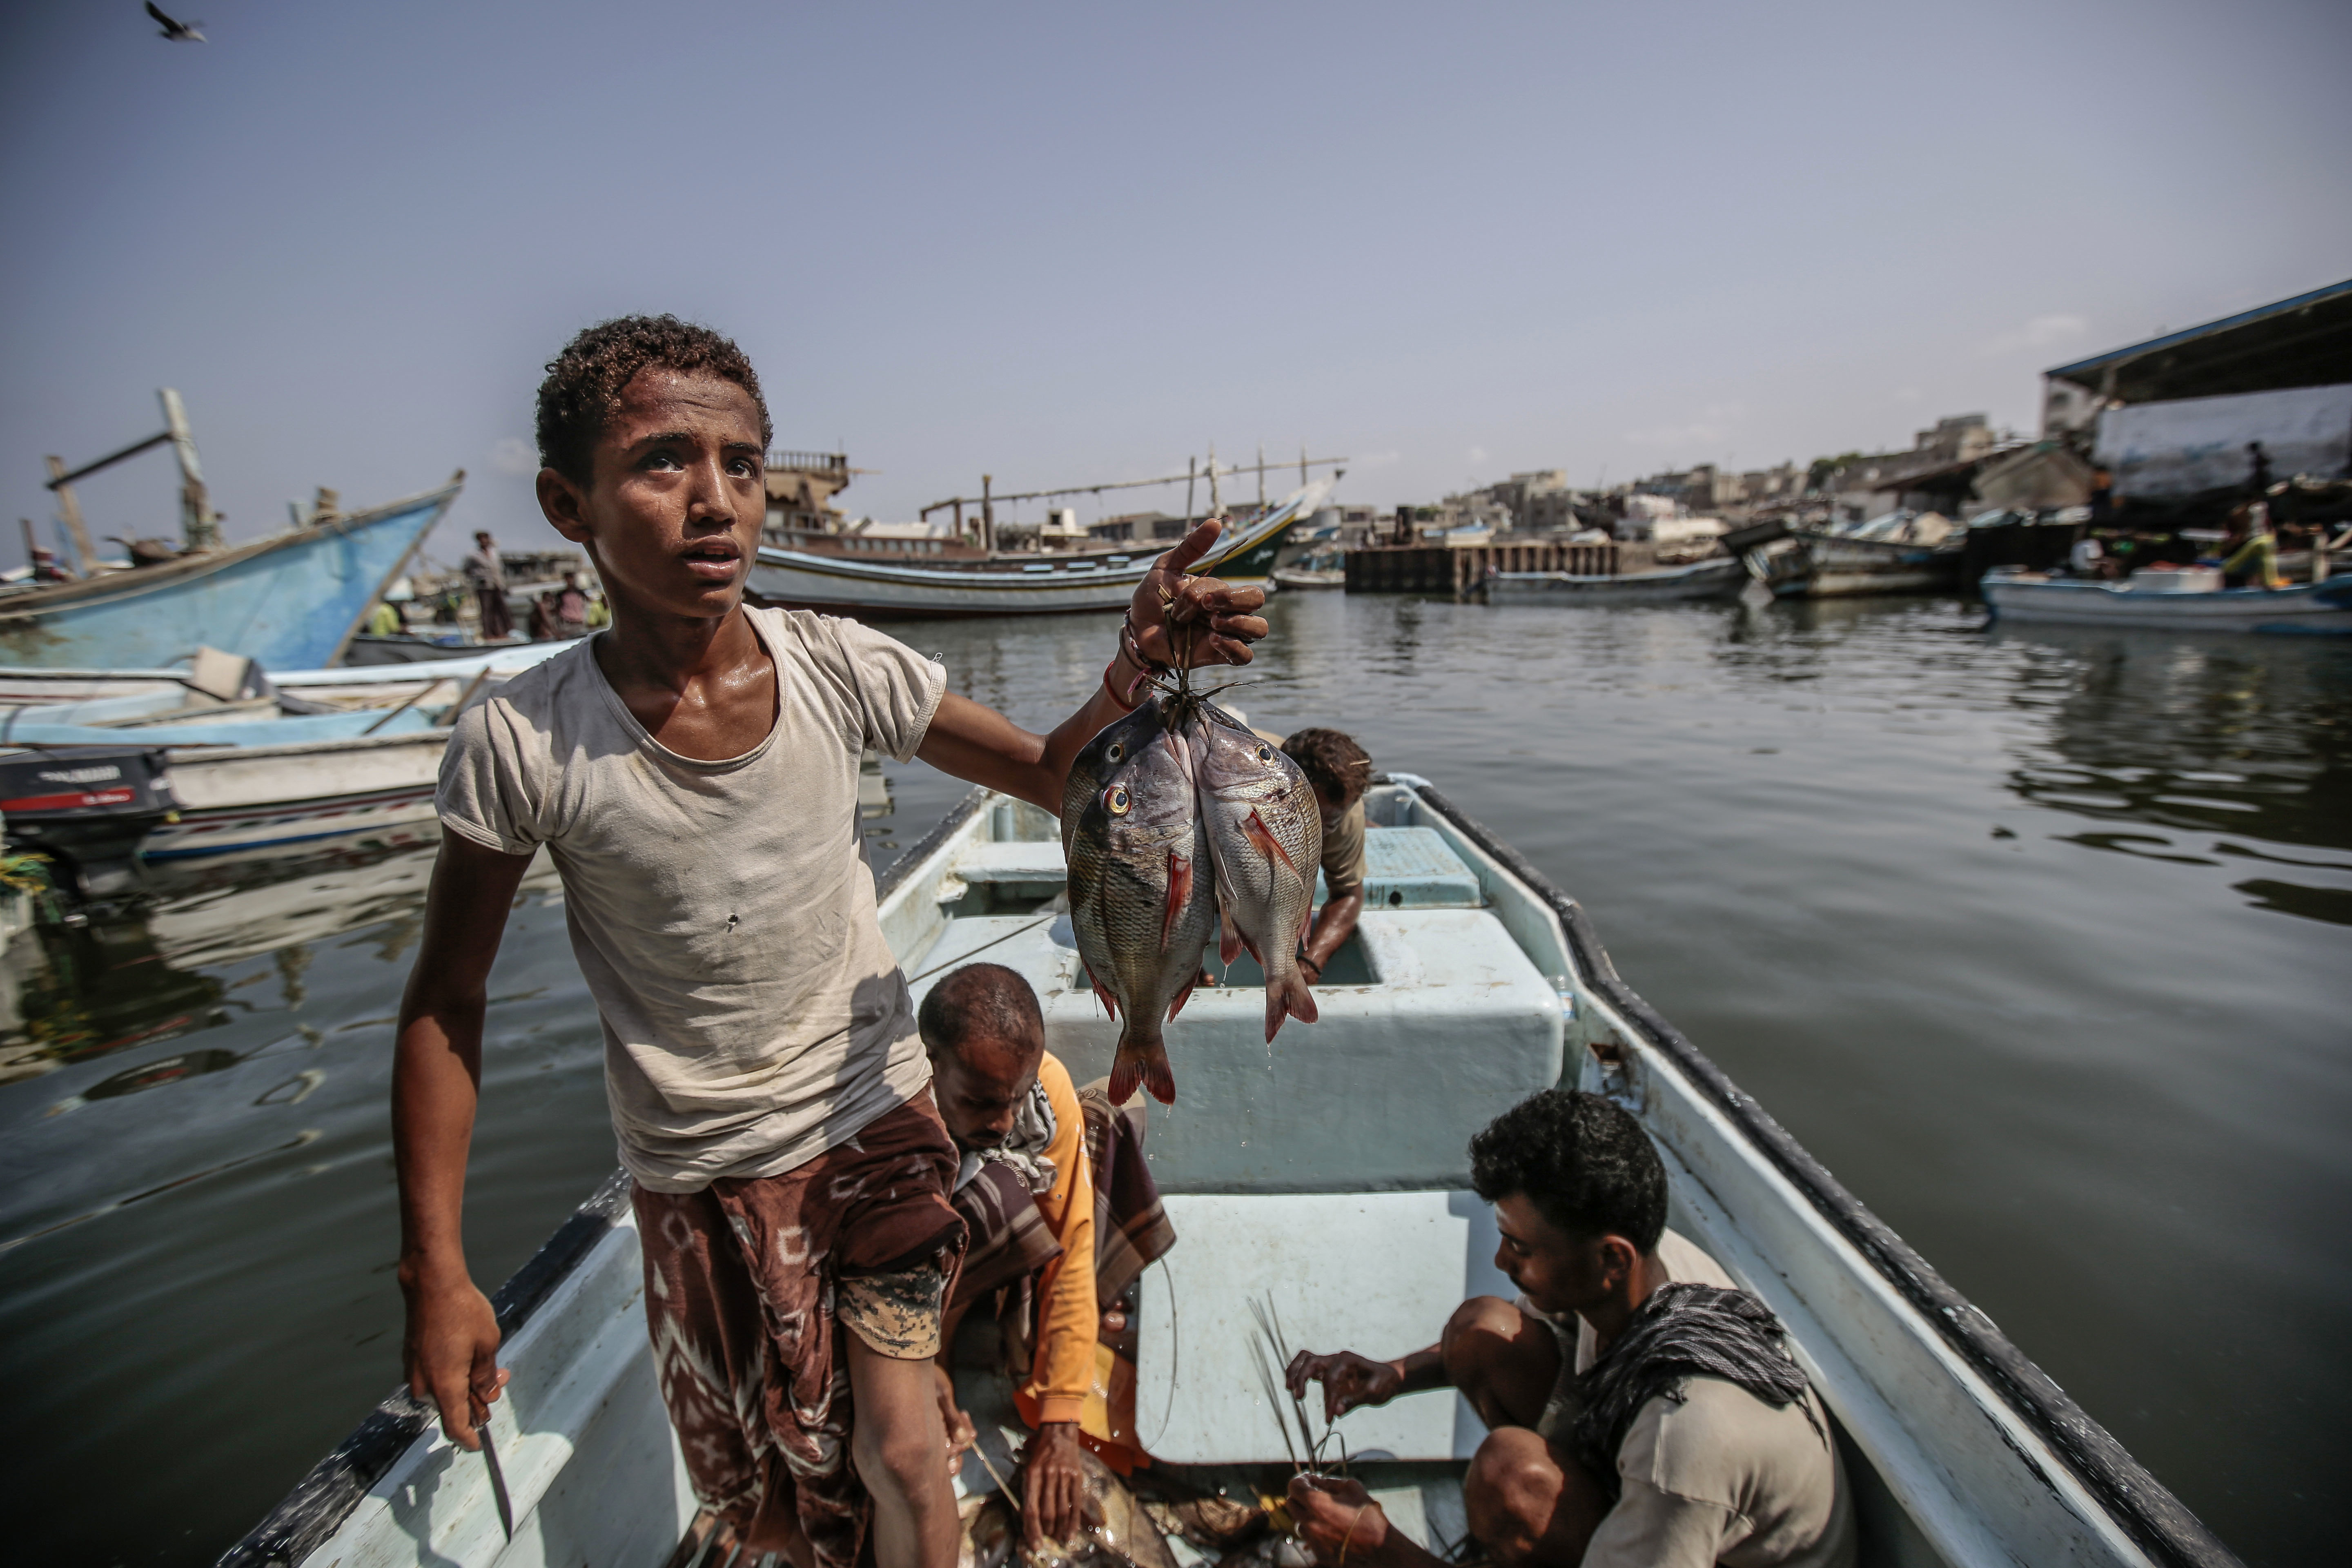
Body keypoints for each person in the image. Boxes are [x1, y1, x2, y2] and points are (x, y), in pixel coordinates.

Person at [393, 314, 1265, 1568]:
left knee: (906, 1454)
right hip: (700, 1171)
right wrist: (437, 1264)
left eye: (742, 465)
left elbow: (1050, 771)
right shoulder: (524, 739)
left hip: (879, 1121)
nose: (716, 502)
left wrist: (1137, 656)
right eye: (662, 463)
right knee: (770, 1511)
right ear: (566, 503)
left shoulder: (835, 667)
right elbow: (446, 1000)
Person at [1283, 1089, 1851, 1568]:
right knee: (1481, 1331)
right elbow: (1502, 1334)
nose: (1503, 1262)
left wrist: (1380, 1550)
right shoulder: (1648, 1269)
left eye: (1521, 1248)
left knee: (1511, 1478)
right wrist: (1394, 1375)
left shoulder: (1684, 1441)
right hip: (1658, 1499)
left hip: (1705, 1547)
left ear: (1612, 1260)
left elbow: (1677, 1457)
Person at [917, 964, 1178, 1546]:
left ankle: (1050, 1335)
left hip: (990, 1252)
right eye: (981, 1103)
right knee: (1000, 1197)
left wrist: (1061, 1422)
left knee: (1108, 1123)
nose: (1006, 1121)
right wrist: (927, 1365)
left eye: (1015, 1097)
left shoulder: (1043, 1088)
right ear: (930, 1066)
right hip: (931, 1269)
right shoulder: (895, 1115)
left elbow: (1072, 1248)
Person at [1280, 728, 1374, 984]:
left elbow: (1348, 894)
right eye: (1309, 813)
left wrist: (1311, 962)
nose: (1317, 828)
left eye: (1330, 820)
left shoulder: (1348, 814)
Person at [462, 528, 513, 641]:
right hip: (484, 586)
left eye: (486, 539)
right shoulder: (473, 555)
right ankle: (488, 634)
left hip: (497, 584)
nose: (485, 541)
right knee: (487, 611)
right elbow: (466, 569)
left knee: (500, 609)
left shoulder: (494, 552)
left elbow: (499, 568)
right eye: (482, 539)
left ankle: (502, 632)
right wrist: (477, 578)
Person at [2220, 500, 2283, 590]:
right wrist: (2270, 583)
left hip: (2237, 571)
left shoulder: (2263, 540)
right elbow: (2267, 562)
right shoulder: (2264, 543)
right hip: (2233, 571)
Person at [556, 569, 593, 637]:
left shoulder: (580, 593)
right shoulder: (562, 595)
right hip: (568, 624)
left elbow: (590, 603)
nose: (570, 581)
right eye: (568, 579)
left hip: (579, 623)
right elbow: (558, 608)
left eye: (571, 579)